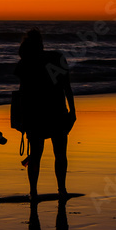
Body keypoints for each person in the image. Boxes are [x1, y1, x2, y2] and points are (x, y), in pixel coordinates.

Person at [14, 28, 76, 200]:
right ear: (41, 43)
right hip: (57, 112)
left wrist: (21, 118)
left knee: (35, 155)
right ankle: (62, 189)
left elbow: (22, 94)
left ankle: (33, 192)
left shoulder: (26, 63)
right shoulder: (56, 58)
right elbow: (67, 88)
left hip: (35, 115)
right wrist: (73, 111)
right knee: (60, 154)